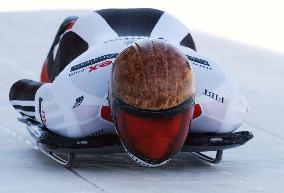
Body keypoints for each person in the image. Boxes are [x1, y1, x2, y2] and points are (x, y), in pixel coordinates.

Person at [9, 8, 248, 167]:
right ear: (111, 105)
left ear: (192, 106)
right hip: (90, 32)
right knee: (51, 74)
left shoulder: (225, 104)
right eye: (142, 121)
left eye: (167, 119)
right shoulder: (74, 106)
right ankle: (69, 26)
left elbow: (19, 92)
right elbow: (20, 93)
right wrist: (47, 100)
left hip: (170, 29)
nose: (154, 137)